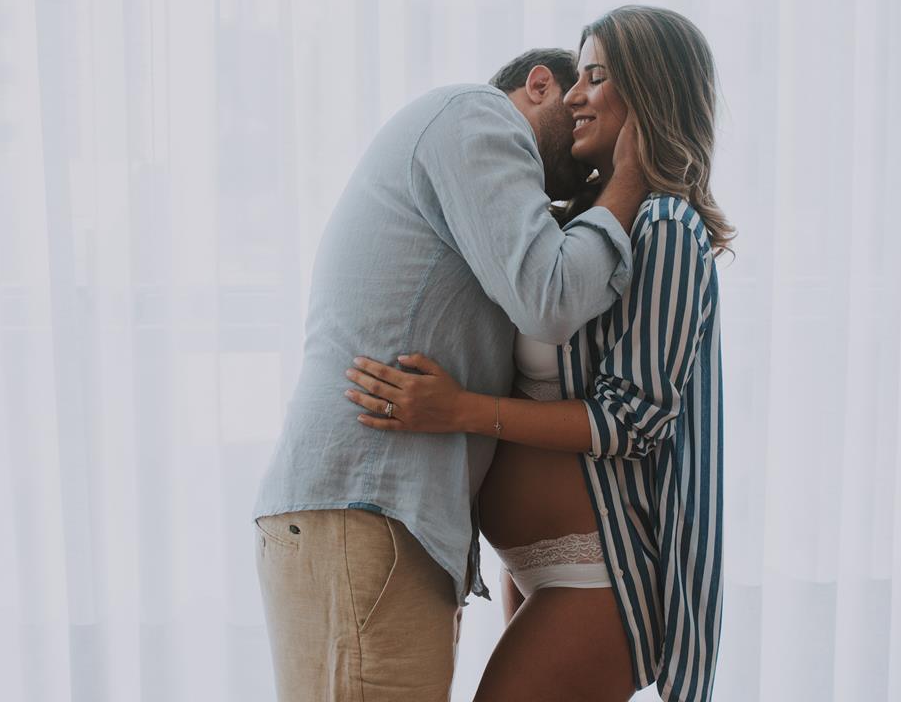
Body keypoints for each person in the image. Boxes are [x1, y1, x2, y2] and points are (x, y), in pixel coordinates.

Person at [344, 6, 734, 702]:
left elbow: (631, 421)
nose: (574, 95)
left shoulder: (667, 228)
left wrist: (461, 411)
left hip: (598, 574)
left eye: (594, 78)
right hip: (539, 572)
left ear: (650, 89)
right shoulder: (582, 229)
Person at [253, 48, 648, 701]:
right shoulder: (478, 118)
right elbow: (550, 300)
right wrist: (629, 179)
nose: (585, 159)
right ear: (539, 85)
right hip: (366, 511)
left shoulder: (464, 168)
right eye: (576, 104)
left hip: (375, 520)